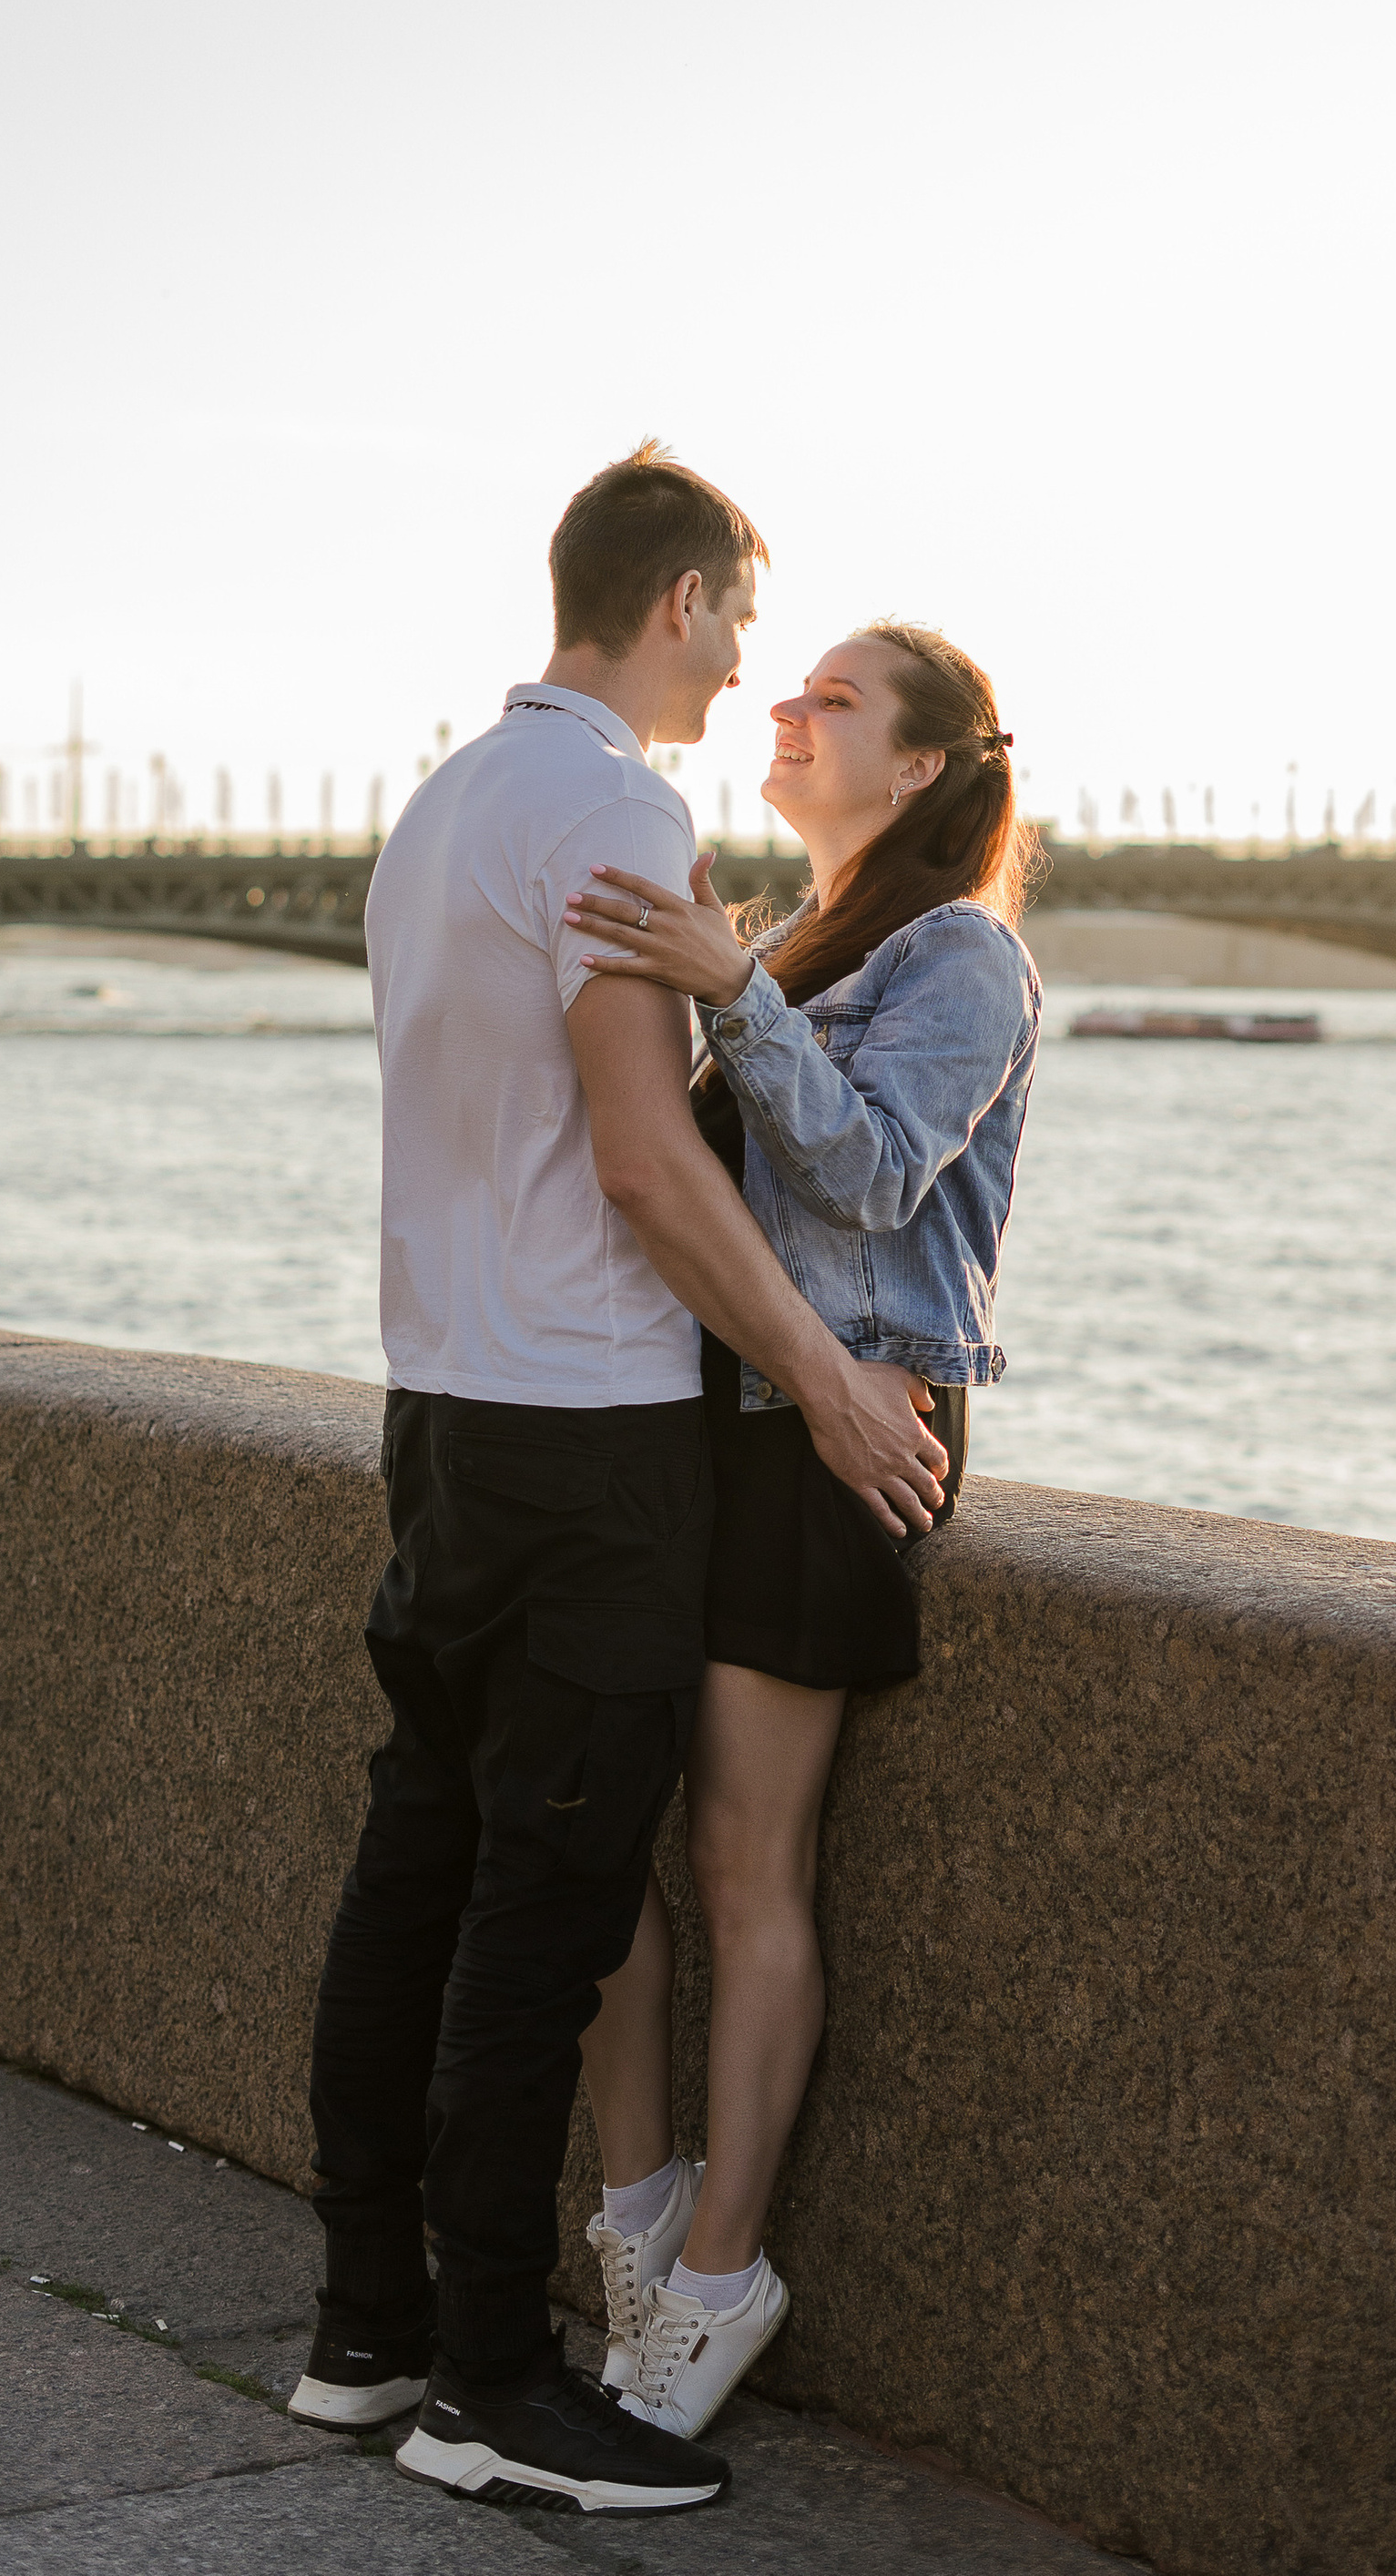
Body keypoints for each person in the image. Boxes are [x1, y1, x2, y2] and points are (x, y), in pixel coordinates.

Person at [292, 448, 949, 2520]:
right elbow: (643, 1160)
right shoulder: (606, 808)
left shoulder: (442, 811)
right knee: (540, 1914)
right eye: (740, 619)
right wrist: (826, 1384)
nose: (744, 659)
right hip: (585, 1439)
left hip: (442, 1414)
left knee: (412, 1876)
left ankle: (367, 2327)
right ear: (675, 604)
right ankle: (490, 2385)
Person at [560, 617, 1041, 2439]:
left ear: (916, 767)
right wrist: (724, 973)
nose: (786, 707)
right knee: (608, 1840)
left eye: (831, 699)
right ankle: (638, 2216)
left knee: (751, 1868)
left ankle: (714, 2277)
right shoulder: (793, 937)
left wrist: (722, 989)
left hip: (840, 1433)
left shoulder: (965, 958)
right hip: (696, 1424)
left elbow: (868, 1172)